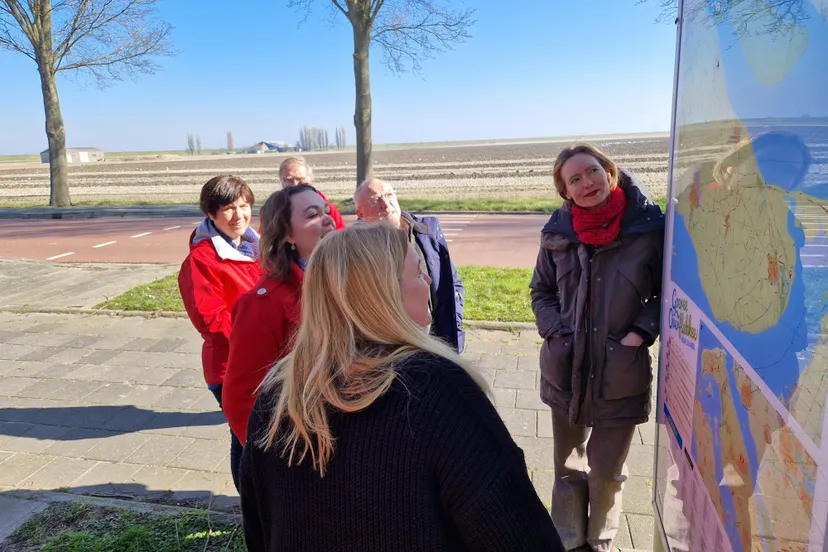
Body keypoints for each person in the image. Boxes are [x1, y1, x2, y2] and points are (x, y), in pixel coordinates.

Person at [239, 223, 566, 552]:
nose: (427, 281)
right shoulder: (438, 392)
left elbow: (258, 529)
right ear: (383, 294)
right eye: (418, 271)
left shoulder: (278, 396)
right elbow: (518, 532)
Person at [529, 143, 664, 552]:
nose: (586, 183)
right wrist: (557, 331)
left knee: (606, 471)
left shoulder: (647, 227)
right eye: (574, 179)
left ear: (609, 172)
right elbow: (541, 291)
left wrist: (639, 333)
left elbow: (666, 292)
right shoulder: (556, 232)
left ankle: (600, 542)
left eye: (592, 171)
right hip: (565, 366)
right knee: (568, 468)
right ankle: (568, 540)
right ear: (565, 192)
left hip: (620, 369)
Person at [224, 184, 335, 452]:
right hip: (302, 445)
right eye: (312, 215)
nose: (328, 219)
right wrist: (276, 459)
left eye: (326, 211)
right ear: (287, 234)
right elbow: (242, 398)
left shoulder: (345, 281)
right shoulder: (262, 305)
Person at [178, 174, 262, 492]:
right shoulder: (202, 260)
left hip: (267, 360)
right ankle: (249, 502)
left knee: (258, 436)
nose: (239, 215)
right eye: (228, 208)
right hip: (232, 367)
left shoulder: (256, 247)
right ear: (211, 214)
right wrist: (260, 340)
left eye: (244, 206)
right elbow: (211, 321)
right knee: (246, 438)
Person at [353, 178, 465, 352]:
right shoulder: (354, 250)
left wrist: (455, 321)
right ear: (359, 213)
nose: (385, 204)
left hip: (439, 341)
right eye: (375, 200)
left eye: (389, 194)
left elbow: (452, 281)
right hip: (392, 352)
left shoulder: (426, 231)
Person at [279, 156, 346, 230]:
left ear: (310, 179)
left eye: (300, 179)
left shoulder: (328, 209)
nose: (295, 184)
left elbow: (341, 238)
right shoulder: (275, 212)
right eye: (289, 180)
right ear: (281, 181)